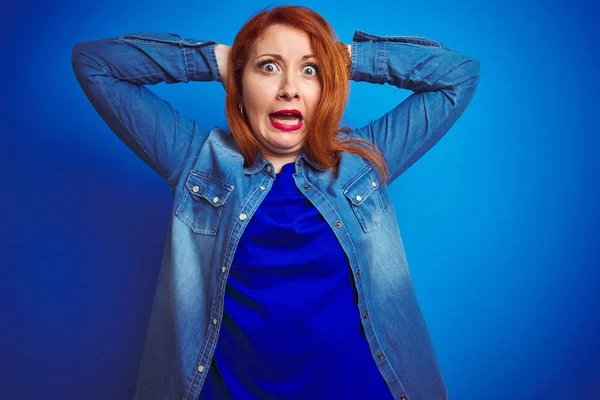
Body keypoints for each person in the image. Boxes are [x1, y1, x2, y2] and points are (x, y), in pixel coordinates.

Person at [71, 5, 479, 400]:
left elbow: (459, 75)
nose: (288, 88)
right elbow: (94, 63)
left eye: (310, 70)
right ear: (239, 84)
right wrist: (216, 59)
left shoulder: (363, 162)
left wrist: (343, 58)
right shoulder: (196, 159)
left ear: (327, 89)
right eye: (268, 67)